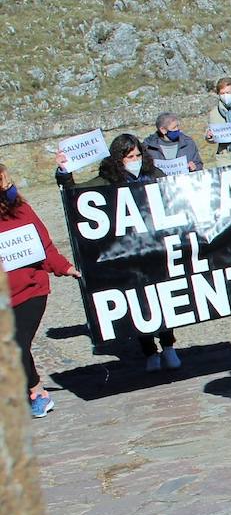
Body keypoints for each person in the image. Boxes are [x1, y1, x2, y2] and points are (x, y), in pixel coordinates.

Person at [56, 134, 181, 371]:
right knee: (139, 302)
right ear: (118, 159)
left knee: (162, 299)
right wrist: (64, 171)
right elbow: (75, 195)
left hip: (156, 248)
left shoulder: (155, 175)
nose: (134, 160)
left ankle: (168, 346)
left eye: (137, 155)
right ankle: (149, 351)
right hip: (127, 253)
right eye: (128, 157)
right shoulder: (106, 181)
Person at [1, 163, 80, 418]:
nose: (5, 184)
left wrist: (65, 267)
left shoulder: (20, 210)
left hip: (30, 290)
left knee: (16, 344)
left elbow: (42, 245)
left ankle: (37, 391)